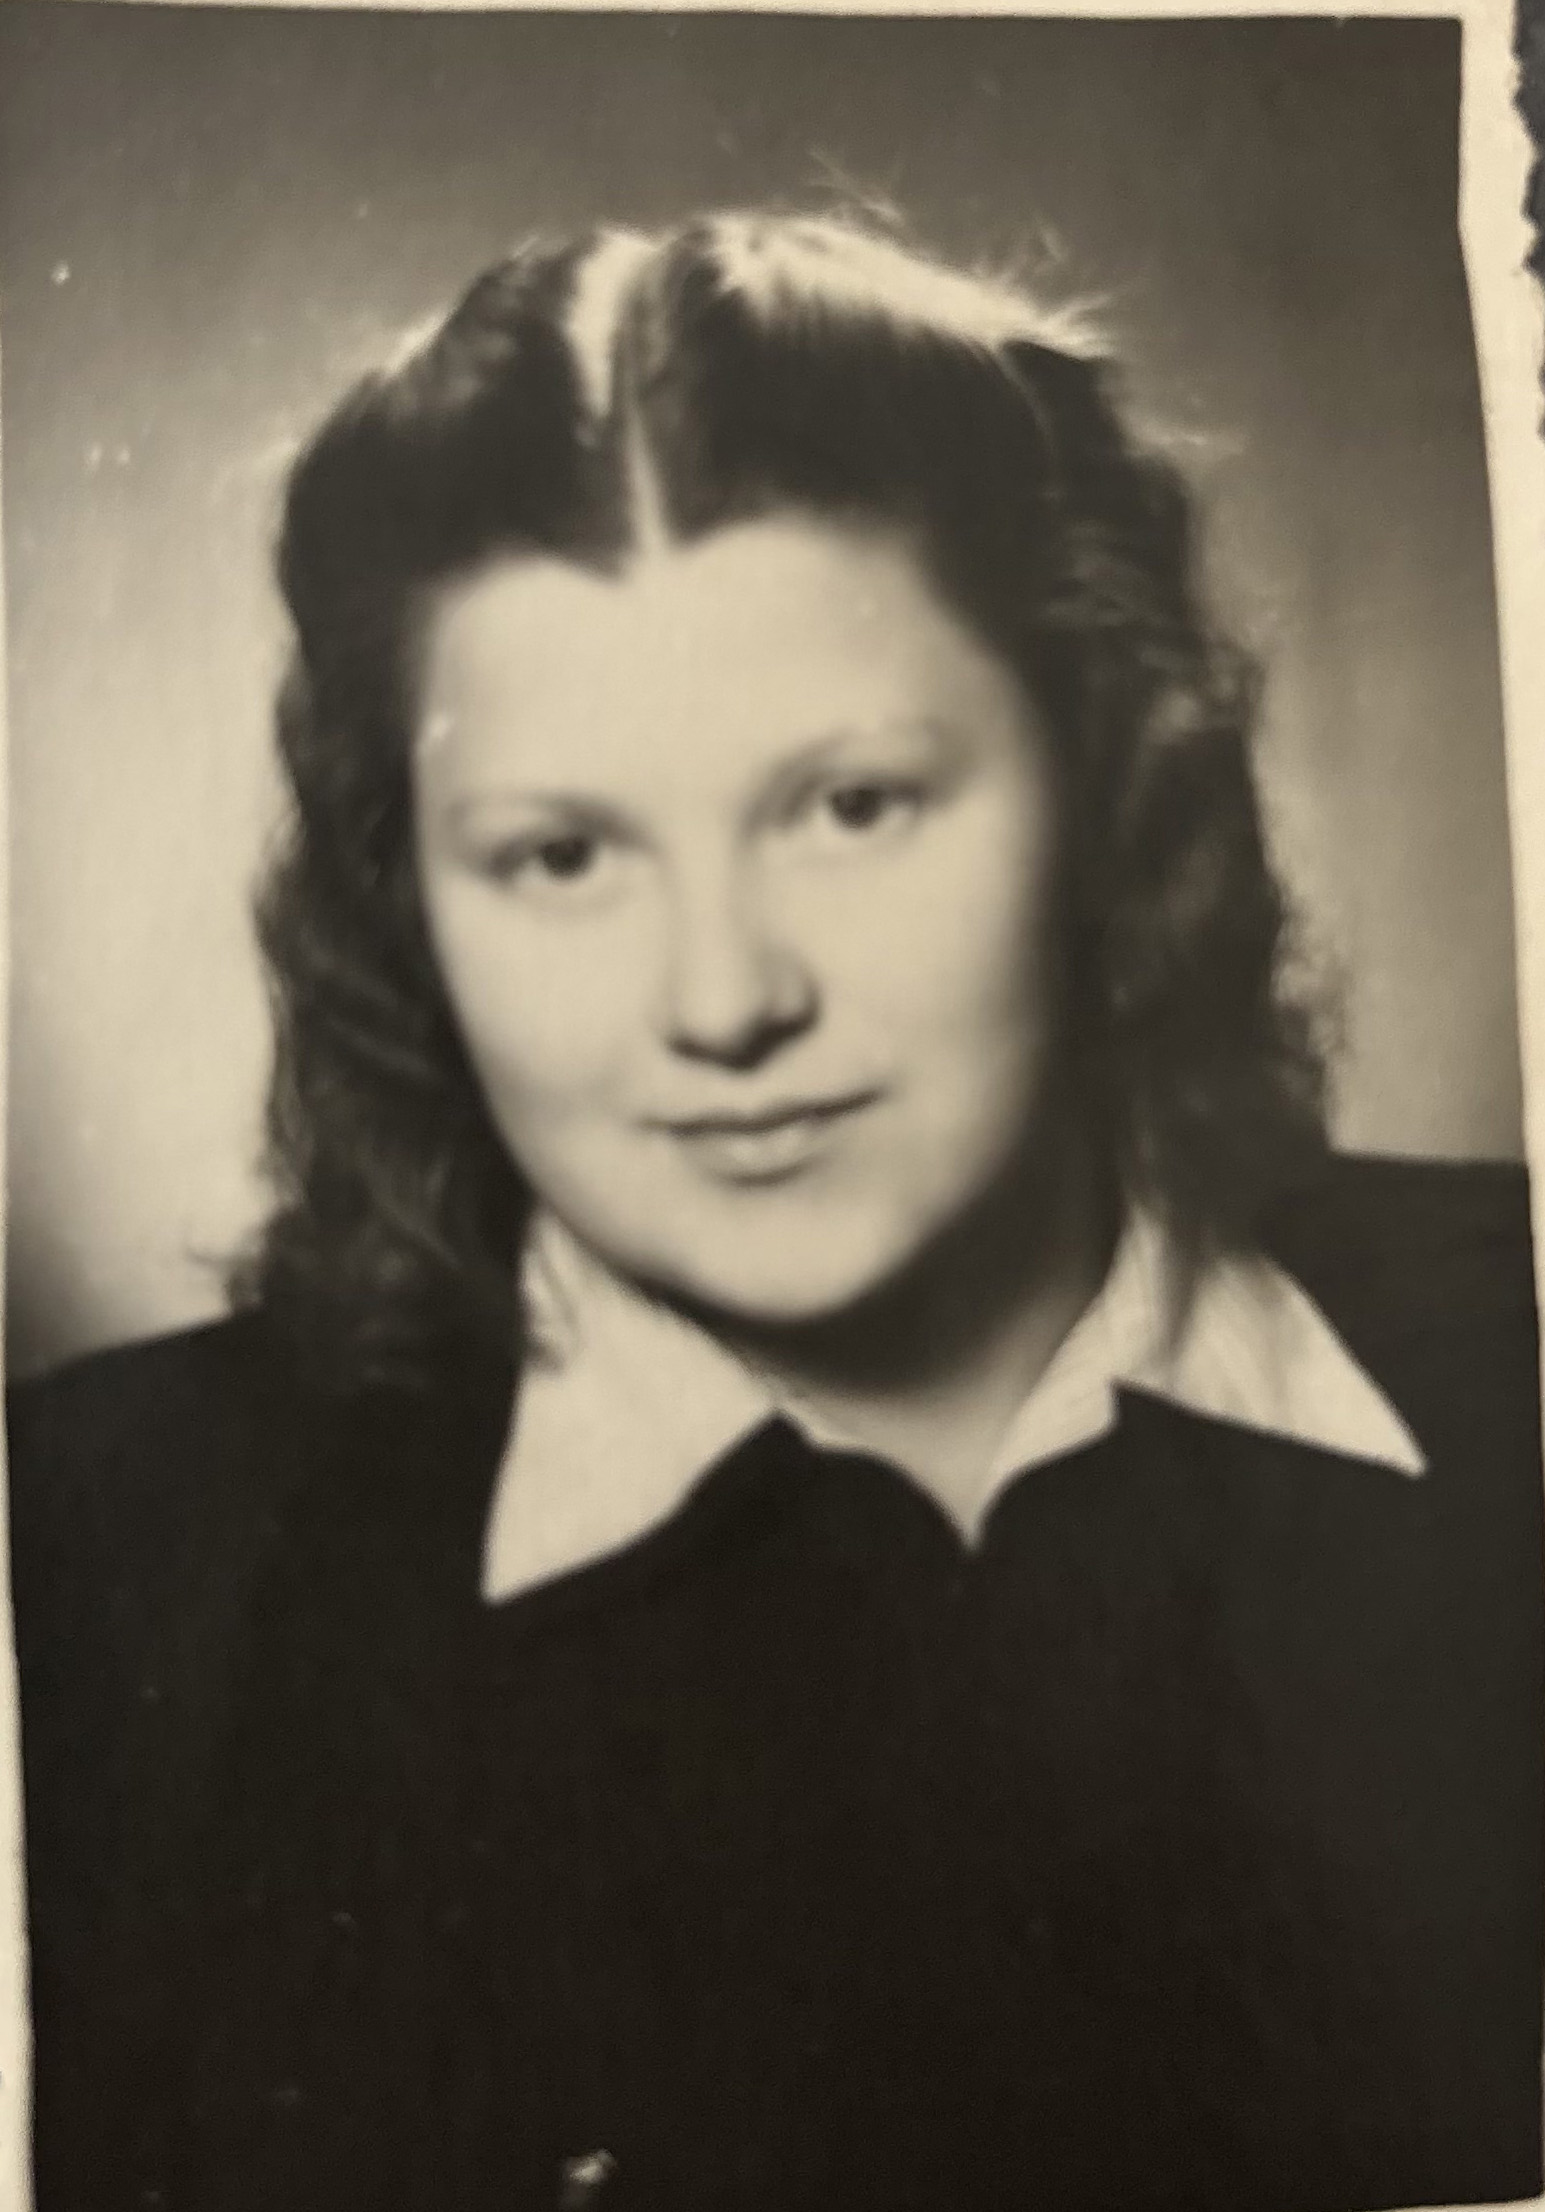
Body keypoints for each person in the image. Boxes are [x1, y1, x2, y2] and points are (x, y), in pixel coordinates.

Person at [9, 212, 1542, 2212]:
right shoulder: (98, 1563)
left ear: (1102, 776)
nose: (724, 1000)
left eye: (850, 805)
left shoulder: (1500, 1355)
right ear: (403, 897)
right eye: (560, 854)